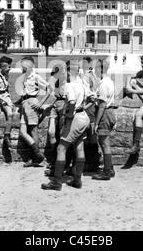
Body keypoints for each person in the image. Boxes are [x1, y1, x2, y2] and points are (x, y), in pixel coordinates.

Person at [41, 62, 90, 190]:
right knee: (79, 147)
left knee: (61, 148)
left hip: (75, 118)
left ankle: (56, 182)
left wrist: (68, 115)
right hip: (84, 116)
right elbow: (92, 98)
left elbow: (72, 101)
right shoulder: (82, 84)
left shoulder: (69, 85)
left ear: (68, 72)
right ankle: (77, 180)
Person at [16, 56, 53, 167]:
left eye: (23, 66)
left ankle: (35, 158)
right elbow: (24, 92)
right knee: (23, 132)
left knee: (33, 130)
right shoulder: (24, 77)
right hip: (24, 104)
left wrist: (40, 103)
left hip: (32, 104)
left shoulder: (35, 77)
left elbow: (49, 88)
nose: (21, 68)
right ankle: (37, 153)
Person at [91, 58, 118, 181]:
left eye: (95, 68)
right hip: (111, 111)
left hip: (105, 113)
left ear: (99, 69)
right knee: (105, 142)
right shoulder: (110, 82)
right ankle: (110, 168)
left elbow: (102, 105)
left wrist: (96, 123)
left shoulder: (103, 84)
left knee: (104, 143)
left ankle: (107, 171)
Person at [43, 63, 68, 176]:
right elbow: (49, 92)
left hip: (64, 105)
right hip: (55, 105)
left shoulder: (68, 81)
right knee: (51, 132)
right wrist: (41, 104)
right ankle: (54, 159)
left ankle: (62, 163)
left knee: (63, 135)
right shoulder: (54, 80)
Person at [79, 56, 100, 172]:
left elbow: (94, 92)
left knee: (91, 135)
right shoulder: (84, 75)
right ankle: (88, 162)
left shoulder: (91, 76)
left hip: (90, 107)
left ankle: (93, 162)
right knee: (85, 136)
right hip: (86, 106)